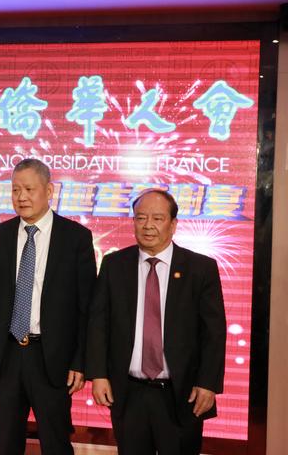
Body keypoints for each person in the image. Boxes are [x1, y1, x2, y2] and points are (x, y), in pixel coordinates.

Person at [87, 189, 227, 455]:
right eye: (141, 218)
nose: (148, 225)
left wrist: (208, 383)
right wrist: (98, 375)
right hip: (129, 392)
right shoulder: (114, 264)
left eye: (157, 218)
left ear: (173, 224)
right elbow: (98, 323)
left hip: (181, 393)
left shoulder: (200, 268)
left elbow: (213, 333)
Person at [0, 158, 97, 454]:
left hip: (51, 358)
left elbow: (86, 308)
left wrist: (80, 362)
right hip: (6, 356)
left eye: (29, 189)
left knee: (56, 442)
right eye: (15, 190)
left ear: (49, 190)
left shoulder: (75, 237)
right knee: (7, 443)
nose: (21, 197)